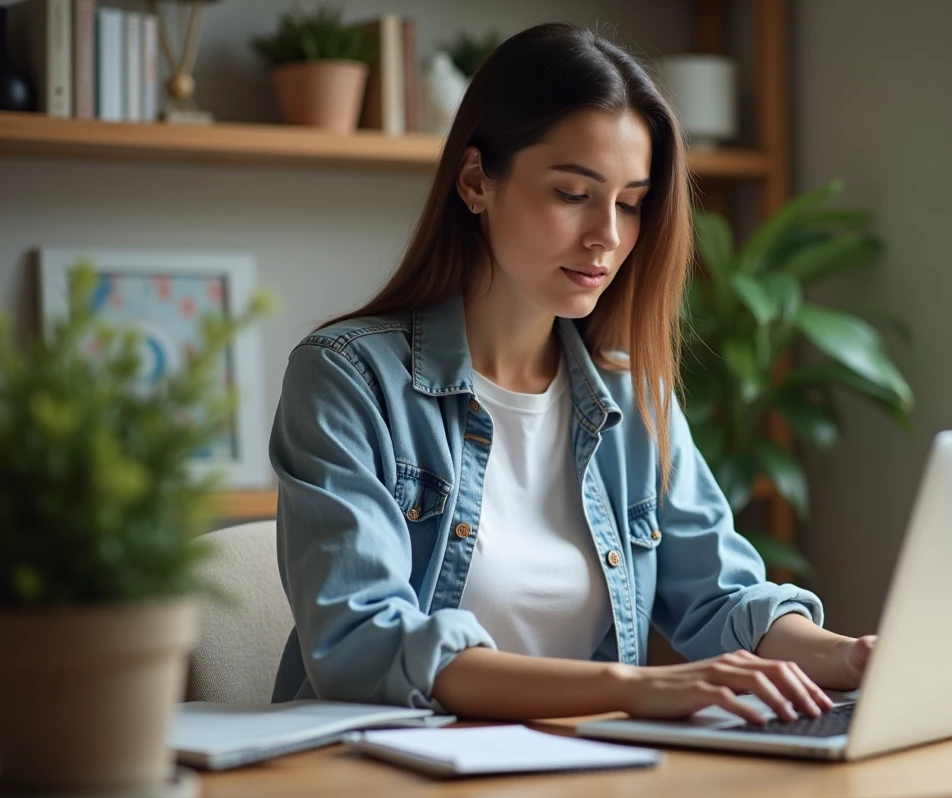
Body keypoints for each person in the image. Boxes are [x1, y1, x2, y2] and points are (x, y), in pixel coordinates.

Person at [269, 22, 875, 726]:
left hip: (578, 771)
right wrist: (626, 688)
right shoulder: (348, 380)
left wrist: (852, 657)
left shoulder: (628, 395)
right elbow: (364, 643)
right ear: (475, 181)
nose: (607, 238)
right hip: (382, 774)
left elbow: (723, 599)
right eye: (571, 193)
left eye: (629, 202)